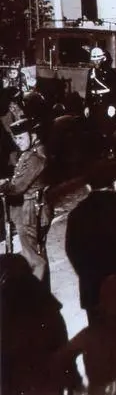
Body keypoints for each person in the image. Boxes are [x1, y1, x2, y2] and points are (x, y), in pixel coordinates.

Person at [65, 159, 116, 326]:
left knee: (101, 336)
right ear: (115, 183)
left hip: (94, 291)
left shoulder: (77, 214)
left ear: (88, 187)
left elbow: (72, 251)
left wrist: (88, 276)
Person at [1, 253, 81, 395]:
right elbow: (62, 344)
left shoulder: (7, 311)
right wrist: (73, 379)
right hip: (48, 381)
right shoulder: (48, 306)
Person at [0, 117, 53, 287]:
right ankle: (42, 293)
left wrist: (4, 185)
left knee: (34, 259)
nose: (18, 142)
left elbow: (17, 187)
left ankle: (36, 296)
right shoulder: (30, 153)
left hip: (32, 212)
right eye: (16, 138)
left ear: (33, 135)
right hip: (31, 210)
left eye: (21, 137)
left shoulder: (35, 157)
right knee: (37, 253)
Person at [84, 47, 116, 159]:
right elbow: (88, 90)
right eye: (94, 60)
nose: (96, 62)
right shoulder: (91, 72)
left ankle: (110, 150)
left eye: (98, 59)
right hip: (94, 104)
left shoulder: (110, 73)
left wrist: (113, 105)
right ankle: (99, 150)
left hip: (106, 103)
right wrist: (87, 106)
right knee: (96, 128)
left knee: (107, 129)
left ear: (102, 59)